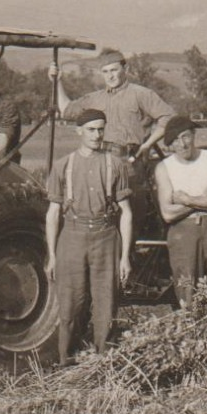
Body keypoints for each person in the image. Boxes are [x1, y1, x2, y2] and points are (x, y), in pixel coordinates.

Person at [45, 108, 133, 364]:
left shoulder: (114, 164)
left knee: (106, 300)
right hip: (72, 237)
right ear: (79, 131)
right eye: (92, 130)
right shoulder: (63, 166)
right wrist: (51, 254)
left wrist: (125, 257)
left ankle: (103, 360)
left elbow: (126, 213)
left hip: (106, 237)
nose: (97, 135)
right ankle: (66, 359)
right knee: (71, 301)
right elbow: (52, 213)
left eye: (101, 129)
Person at [154, 114, 207, 305]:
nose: (182, 144)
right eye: (175, 140)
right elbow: (168, 214)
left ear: (194, 135)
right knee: (187, 288)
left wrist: (186, 199)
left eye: (185, 136)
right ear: (170, 144)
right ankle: (192, 330)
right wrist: (205, 198)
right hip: (183, 232)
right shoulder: (164, 168)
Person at [48, 50, 173, 164]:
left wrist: (147, 145)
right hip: (100, 160)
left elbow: (169, 118)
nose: (110, 76)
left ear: (126, 69)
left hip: (131, 161)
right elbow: (66, 110)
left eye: (114, 70)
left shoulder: (141, 94)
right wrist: (57, 82)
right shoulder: (94, 99)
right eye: (105, 71)